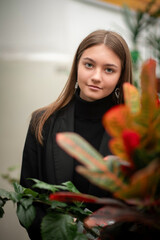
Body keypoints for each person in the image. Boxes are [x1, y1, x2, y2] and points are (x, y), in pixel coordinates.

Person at [20, 29, 133, 239]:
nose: (96, 77)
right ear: (77, 66)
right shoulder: (42, 122)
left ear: (120, 76)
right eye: (89, 65)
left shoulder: (133, 133)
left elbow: (138, 211)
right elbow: (28, 201)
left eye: (109, 70)